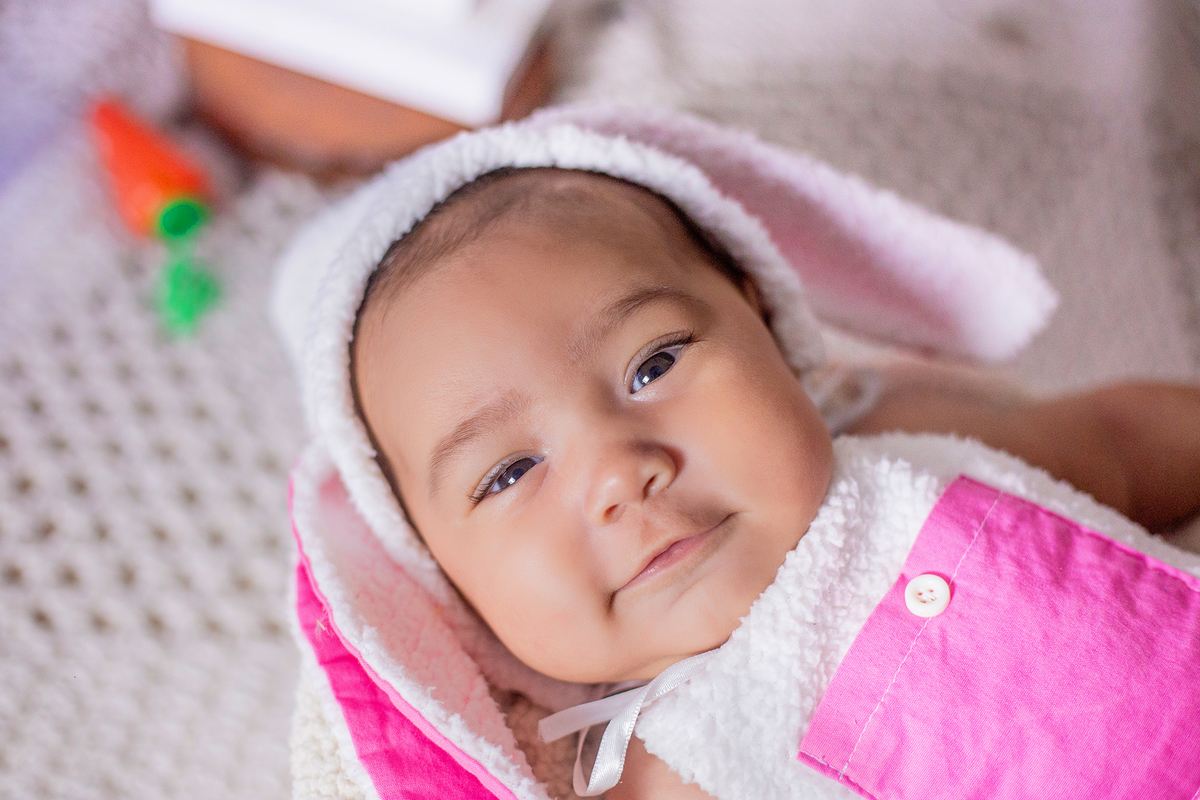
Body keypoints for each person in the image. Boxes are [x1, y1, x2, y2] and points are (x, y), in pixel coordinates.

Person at [278, 107, 1200, 799]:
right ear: (443, 579)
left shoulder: (914, 445)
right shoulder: (652, 771)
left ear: (763, 320)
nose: (616, 472)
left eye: (653, 364)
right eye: (510, 473)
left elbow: (1121, 443)